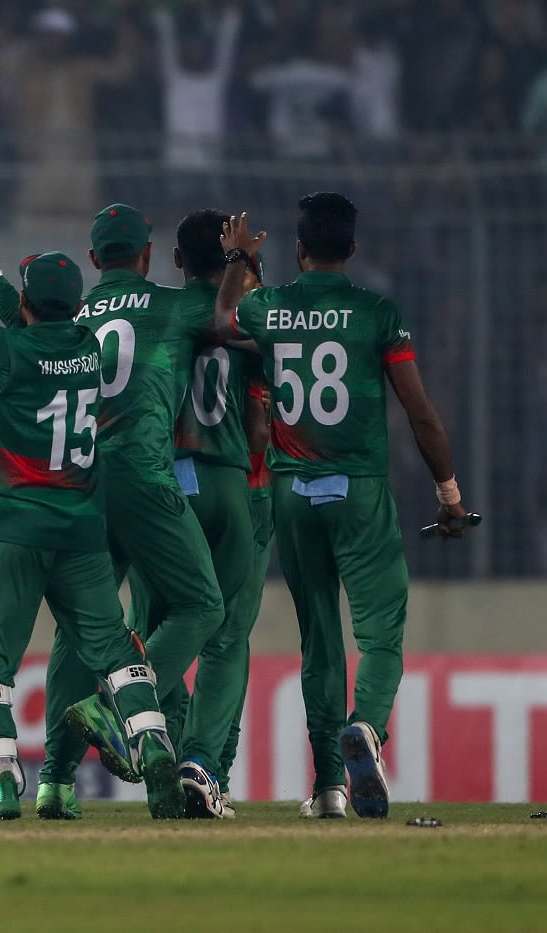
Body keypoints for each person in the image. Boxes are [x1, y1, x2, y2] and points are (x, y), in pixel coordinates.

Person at [0, 182, 185, 820]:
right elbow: (24, 312)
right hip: (82, 531)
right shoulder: (86, 346)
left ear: (27, 302)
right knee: (115, 653)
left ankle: (3, 781)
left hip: (14, 532)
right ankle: (154, 742)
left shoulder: (9, 350)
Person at [215, 194, 478, 819]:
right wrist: (449, 495)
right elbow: (421, 414)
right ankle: (367, 730)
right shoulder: (376, 314)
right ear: (352, 251)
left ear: (299, 250)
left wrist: (237, 257)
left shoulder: (268, 306)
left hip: (291, 493)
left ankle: (330, 786)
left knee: (321, 642)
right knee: (381, 631)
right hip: (357, 491)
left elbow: (223, 317)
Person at [37, 203, 229, 819]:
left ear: (94, 260)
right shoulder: (174, 307)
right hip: (142, 475)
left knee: (79, 630)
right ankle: (119, 708)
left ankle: (55, 782)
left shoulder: (70, 317)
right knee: (203, 603)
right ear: (148, 256)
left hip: (76, 485)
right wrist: (240, 259)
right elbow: (231, 310)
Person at [125, 210, 269, 817]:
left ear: (176, 261)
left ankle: (161, 748)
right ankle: (202, 765)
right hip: (229, 482)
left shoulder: (153, 311)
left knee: (159, 624)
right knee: (226, 635)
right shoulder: (250, 320)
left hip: (160, 487)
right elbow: (262, 426)